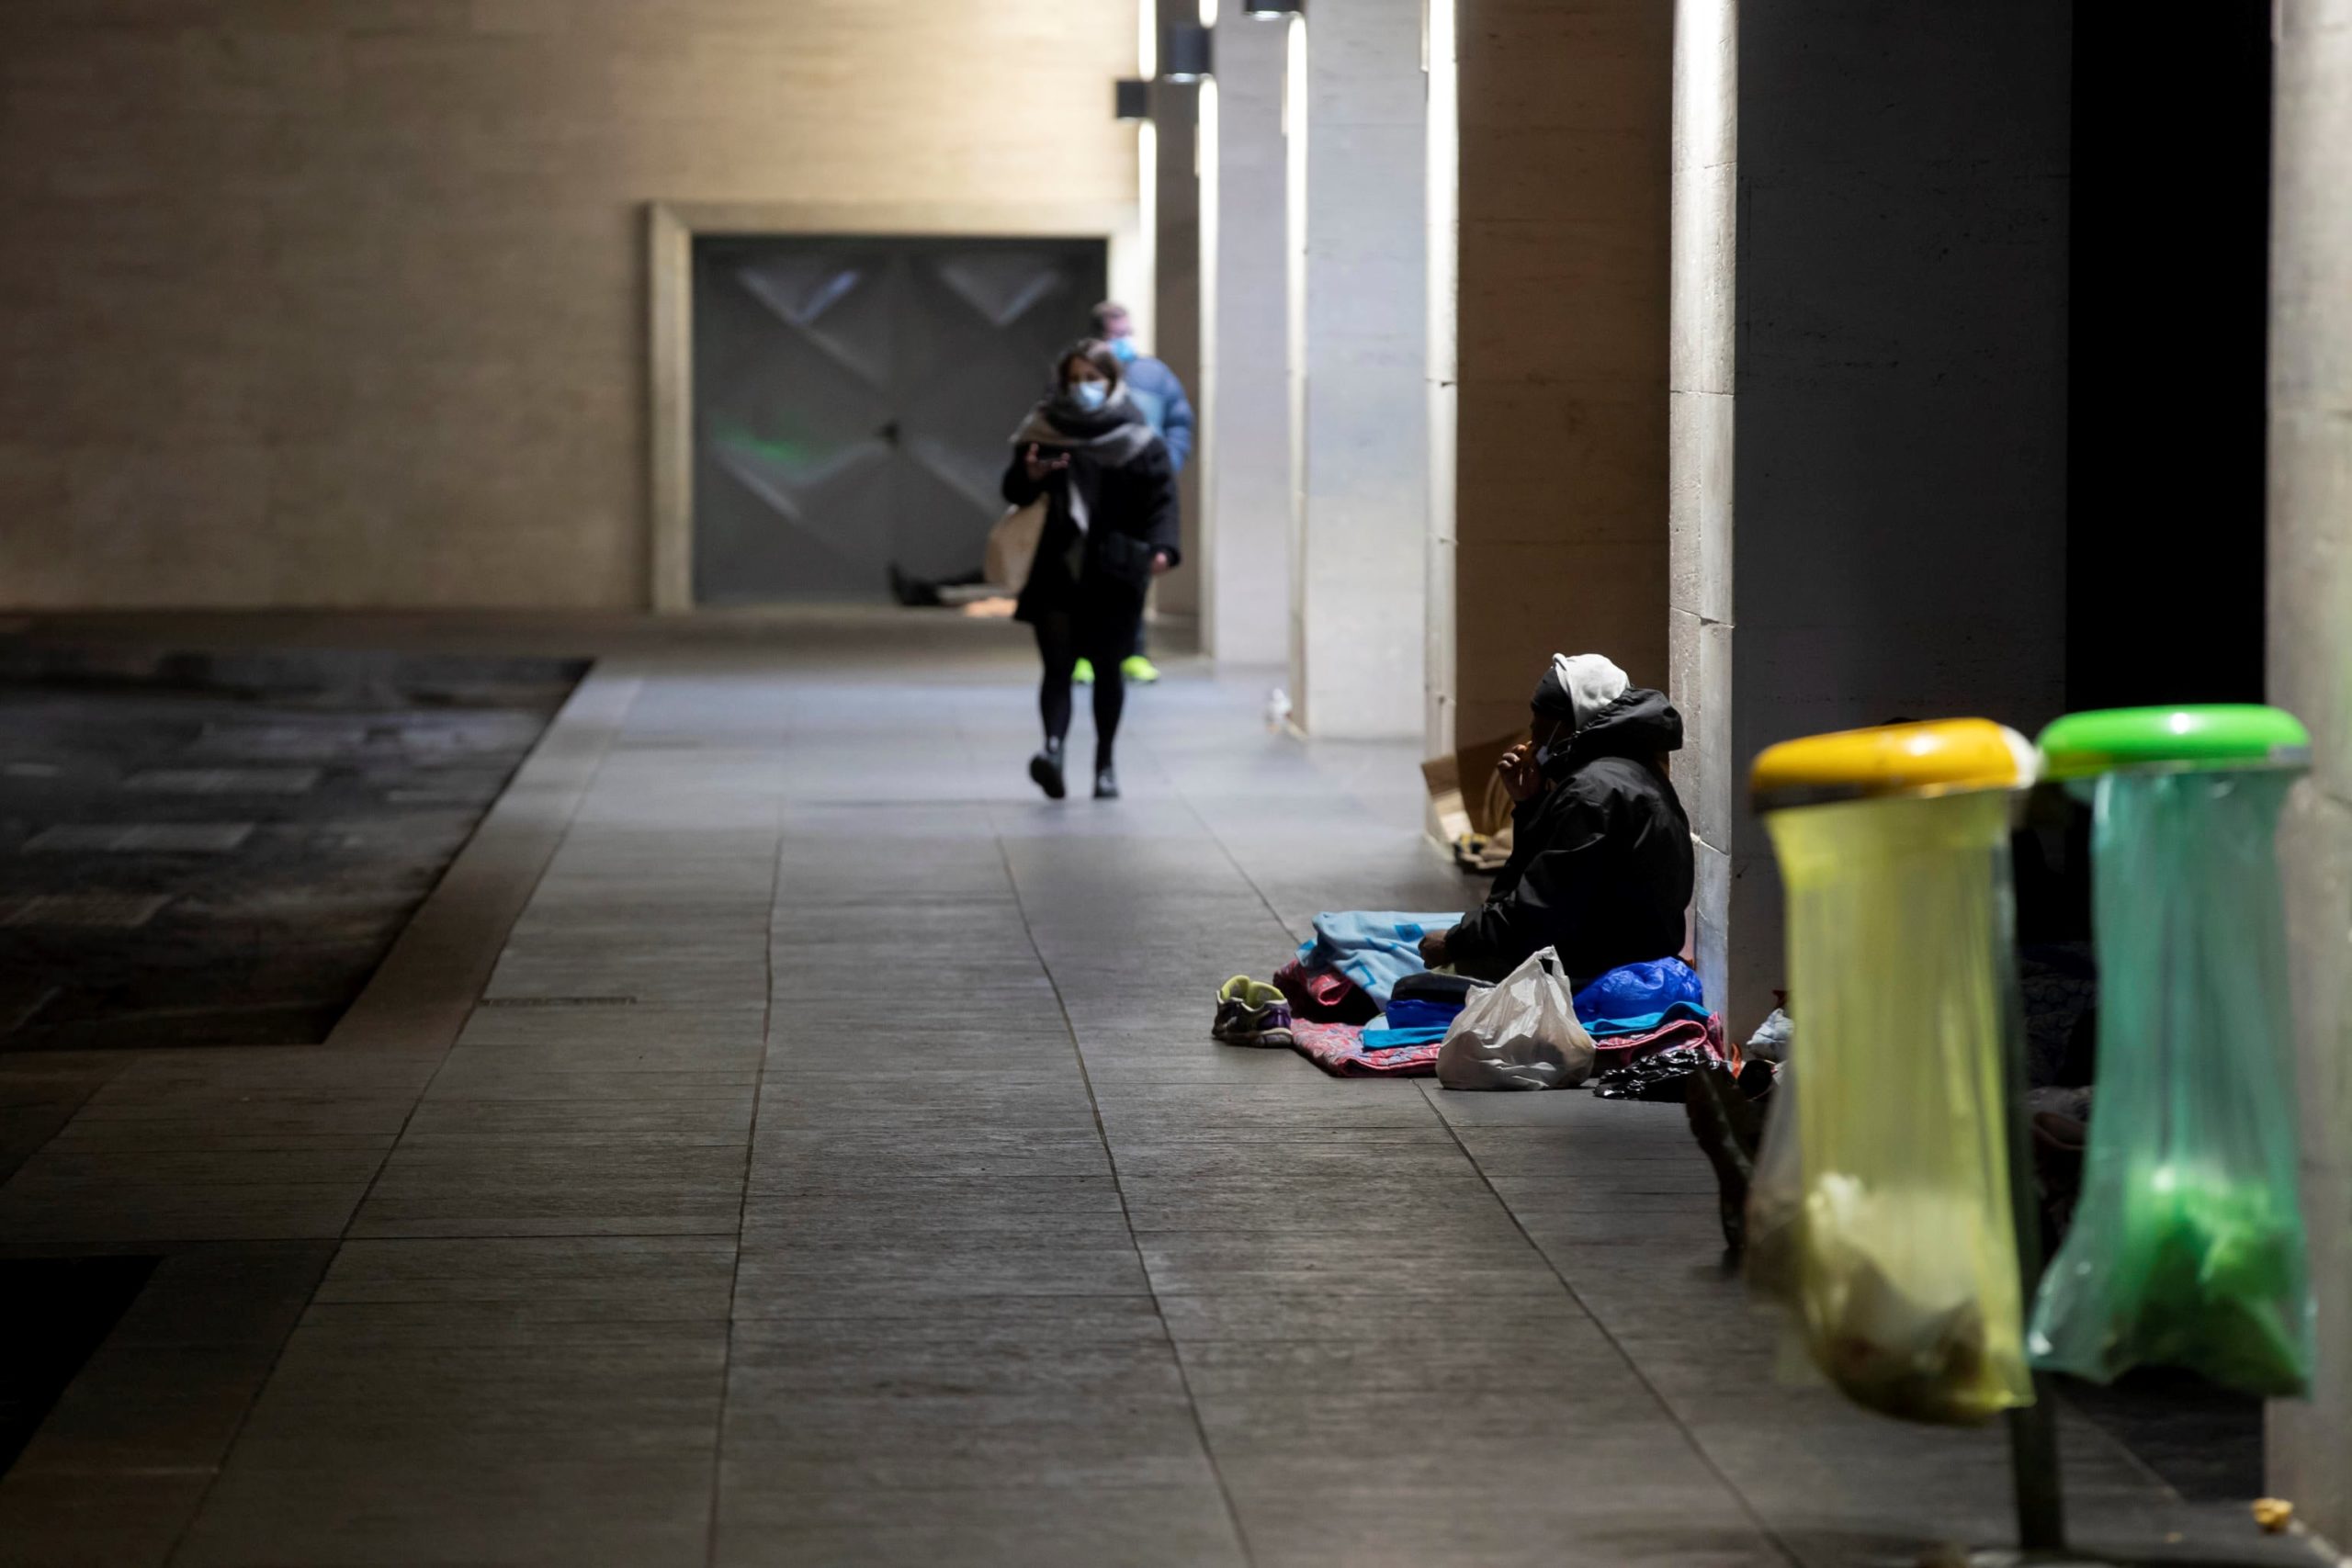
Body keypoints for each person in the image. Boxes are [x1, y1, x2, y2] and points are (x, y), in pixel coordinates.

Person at [1417, 654, 1694, 986]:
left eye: (1540, 723)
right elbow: (1543, 887)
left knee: (1415, 988)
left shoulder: (1592, 792)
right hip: (1625, 953)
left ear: (1570, 723)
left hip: (1596, 969)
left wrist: (1453, 942)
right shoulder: (1628, 770)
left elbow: (1535, 913)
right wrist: (1530, 805)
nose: (1533, 736)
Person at [1002, 339, 1180, 801]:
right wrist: (1034, 474)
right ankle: (1053, 752)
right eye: (1075, 379)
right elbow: (1015, 490)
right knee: (1056, 667)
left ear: (1112, 381)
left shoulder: (1137, 436)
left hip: (1115, 569)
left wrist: (1162, 549)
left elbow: (1161, 499)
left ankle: (1105, 763)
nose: (1083, 387)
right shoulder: (1043, 430)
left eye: (1092, 378)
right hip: (1057, 566)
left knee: (1108, 670)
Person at [1075, 302, 1193, 689]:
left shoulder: (1153, 375)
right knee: (1087, 577)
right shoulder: (1081, 376)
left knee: (1135, 576)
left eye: (1127, 332)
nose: (1123, 341)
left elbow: (1179, 422)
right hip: (1092, 494)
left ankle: (1134, 653)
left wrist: (1166, 462)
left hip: (1138, 493)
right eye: (1115, 334)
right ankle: (1084, 654)